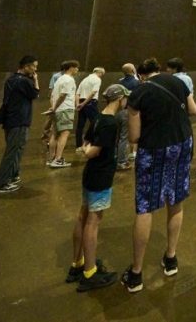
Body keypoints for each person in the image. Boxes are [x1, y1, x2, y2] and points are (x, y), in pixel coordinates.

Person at [121, 58, 196, 293]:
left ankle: (136, 274)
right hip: (182, 144)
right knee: (175, 201)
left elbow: (133, 137)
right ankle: (171, 258)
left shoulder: (139, 92)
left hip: (153, 149)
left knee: (146, 207)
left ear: (141, 75)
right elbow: (193, 110)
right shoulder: (177, 82)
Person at [67, 84, 125, 292]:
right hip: (101, 176)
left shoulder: (99, 117)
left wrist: (86, 149)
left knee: (82, 216)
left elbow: (86, 142)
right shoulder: (110, 123)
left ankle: (78, 263)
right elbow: (92, 151)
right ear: (119, 99)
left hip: (90, 174)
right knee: (93, 222)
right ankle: (90, 272)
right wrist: (87, 151)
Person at [0, 55, 39, 194]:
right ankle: (0, 183)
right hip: (20, 120)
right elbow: (35, 94)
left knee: (15, 150)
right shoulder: (24, 81)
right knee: (12, 152)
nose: (35, 69)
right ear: (26, 66)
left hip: (10, 120)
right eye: (34, 66)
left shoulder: (11, 80)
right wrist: (35, 80)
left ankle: (12, 176)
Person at [48, 60, 79, 168]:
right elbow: (62, 95)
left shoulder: (59, 79)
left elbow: (52, 96)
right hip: (65, 109)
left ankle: (51, 158)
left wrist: (53, 108)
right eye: (76, 68)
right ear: (71, 68)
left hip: (58, 110)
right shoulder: (69, 80)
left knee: (55, 134)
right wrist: (55, 107)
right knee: (64, 134)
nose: (77, 70)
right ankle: (58, 159)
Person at [75, 67, 105, 152]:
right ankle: (95, 143)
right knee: (96, 123)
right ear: (100, 73)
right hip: (90, 102)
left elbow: (77, 93)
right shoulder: (97, 79)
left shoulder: (84, 80)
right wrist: (84, 104)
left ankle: (78, 145)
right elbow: (93, 93)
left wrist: (78, 104)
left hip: (81, 101)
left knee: (80, 125)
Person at [116, 64, 139, 170]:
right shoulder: (136, 83)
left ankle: (116, 157)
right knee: (125, 137)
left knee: (118, 137)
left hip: (118, 111)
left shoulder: (119, 82)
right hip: (129, 112)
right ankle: (121, 161)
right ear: (133, 70)